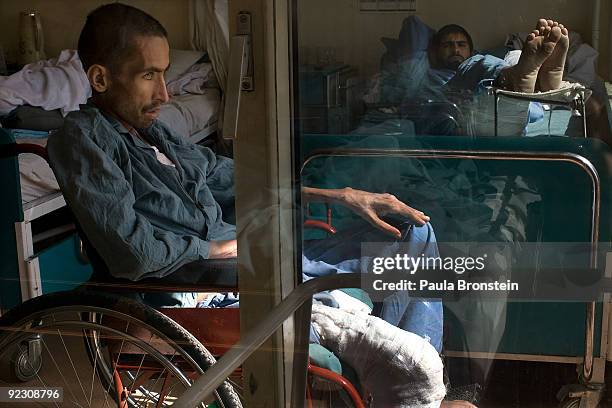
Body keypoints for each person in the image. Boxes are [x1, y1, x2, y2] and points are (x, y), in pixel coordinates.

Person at [47, 3, 469, 406]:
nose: (164, 93)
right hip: (212, 283)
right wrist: (213, 249)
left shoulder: (157, 135)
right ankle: (403, 381)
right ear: (100, 79)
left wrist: (341, 196)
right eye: (148, 76)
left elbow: (232, 179)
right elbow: (132, 253)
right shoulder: (82, 140)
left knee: (412, 233)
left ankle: (393, 379)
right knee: (410, 349)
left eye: (164, 75)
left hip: (252, 257)